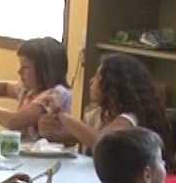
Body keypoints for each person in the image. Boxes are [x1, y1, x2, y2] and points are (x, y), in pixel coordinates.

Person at [39, 53, 167, 152]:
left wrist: (61, 114)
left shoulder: (130, 118)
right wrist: (50, 131)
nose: (91, 81)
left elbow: (103, 142)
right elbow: (76, 137)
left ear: (113, 86)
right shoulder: (97, 114)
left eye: (97, 77)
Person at [0, 37, 71, 139]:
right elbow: (5, 88)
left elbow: (14, 121)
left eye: (26, 67)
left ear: (44, 71)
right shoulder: (29, 90)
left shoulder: (55, 94)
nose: (19, 72)